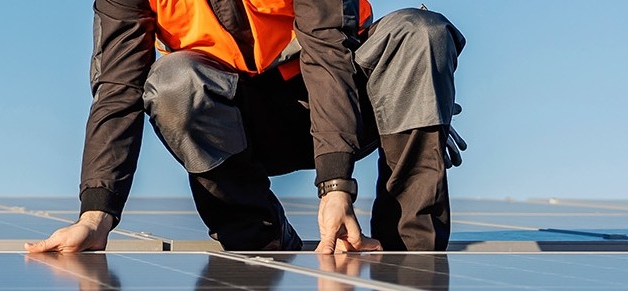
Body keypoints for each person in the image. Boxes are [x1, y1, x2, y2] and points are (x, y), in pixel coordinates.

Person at [26, 0, 466, 254]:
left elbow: (328, 55)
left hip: (341, 104)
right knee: (172, 83)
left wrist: (336, 186)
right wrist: (96, 216)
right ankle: (261, 237)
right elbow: (118, 90)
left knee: (419, 33)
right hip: (237, 123)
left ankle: (411, 252)